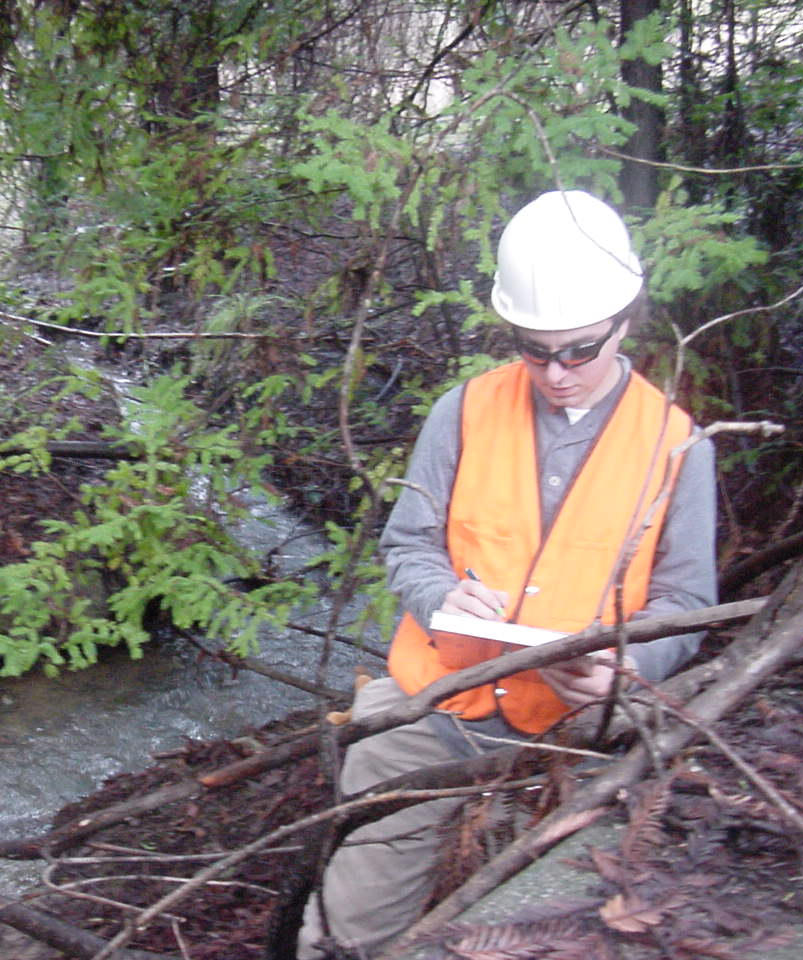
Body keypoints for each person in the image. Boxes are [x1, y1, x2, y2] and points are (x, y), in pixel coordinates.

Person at [297, 190, 718, 959]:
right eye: (535, 349)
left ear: (625, 321)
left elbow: (688, 601)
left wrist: (629, 666)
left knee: (545, 931)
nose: (557, 373)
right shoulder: (462, 411)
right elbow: (408, 544)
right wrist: (442, 596)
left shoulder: (678, 445)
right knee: (342, 931)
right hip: (433, 709)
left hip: (577, 732)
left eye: (580, 350)